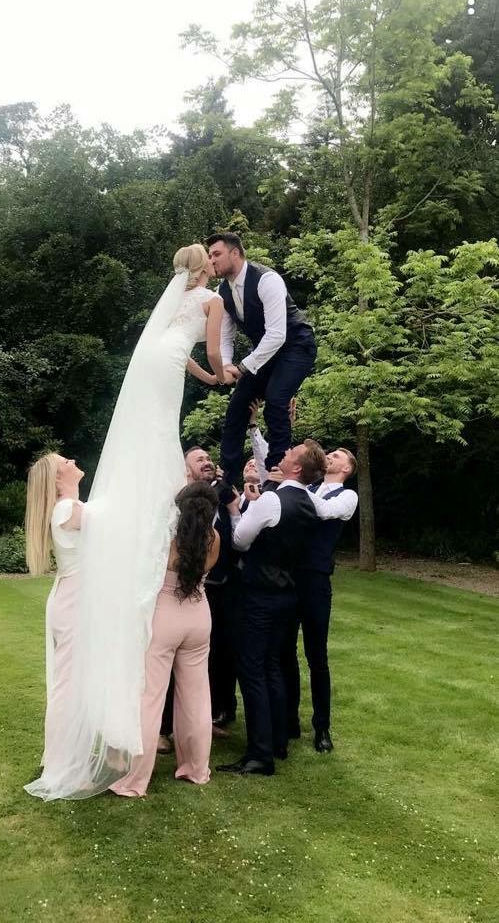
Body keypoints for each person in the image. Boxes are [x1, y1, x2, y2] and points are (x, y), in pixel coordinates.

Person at [26, 244, 229, 800]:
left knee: (153, 430)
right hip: (168, 365)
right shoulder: (211, 300)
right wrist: (222, 375)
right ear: (205, 268)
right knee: (161, 432)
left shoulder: (173, 302)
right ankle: (191, 764)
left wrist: (197, 373)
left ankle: (127, 763)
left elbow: (171, 351)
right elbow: (211, 356)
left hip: (155, 363)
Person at [217, 440, 327, 777]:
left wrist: (237, 510)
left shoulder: (271, 500)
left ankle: (260, 755)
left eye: (291, 454)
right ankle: (278, 739)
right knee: (273, 668)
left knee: (253, 672)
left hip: (260, 594)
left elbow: (240, 541)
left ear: (296, 468)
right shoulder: (310, 502)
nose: (284, 454)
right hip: (288, 594)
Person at [111, 482, 220, 797]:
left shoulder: (163, 541)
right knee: (198, 697)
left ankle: (135, 779)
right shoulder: (214, 539)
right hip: (199, 617)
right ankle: (196, 769)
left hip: (164, 617)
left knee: (150, 698)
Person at [207, 233, 316, 484]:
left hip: (296, 346)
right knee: (237, 407)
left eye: (216, 254)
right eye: (210, 255)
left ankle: (278, 474)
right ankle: (226, 478)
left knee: (277, 399)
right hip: (265, 355)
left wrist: (243, 367)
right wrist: (225, 366)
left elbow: (277, 335)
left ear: (235, 253)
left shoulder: (267, 280)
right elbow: (226, 337)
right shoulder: (221, 292)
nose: (211, 260)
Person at [285, 448, 358, 752]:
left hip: (315, 581)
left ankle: (322, 727)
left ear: (347, 469)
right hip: (288, 578)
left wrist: (297, 485)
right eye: (329, 452)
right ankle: (289, 719)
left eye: (339, 454)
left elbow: (324, 512)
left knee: (317, 656)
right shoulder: (309, 485)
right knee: (285, 651)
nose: (332, 454)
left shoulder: (347, 497)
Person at [23, 453, 84, 796]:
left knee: (71, 683)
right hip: (74, 601)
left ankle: (64, 757)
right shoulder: (67, 508)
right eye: (66, 461)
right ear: (59, 477)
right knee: (67, 685)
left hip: (74, 598)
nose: (73, 459)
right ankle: (62, 765)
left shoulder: (69, 505)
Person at [184, 446, 239, 734]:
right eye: (199, 459)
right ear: (186, 469)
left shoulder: (226, 493)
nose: (206, 462)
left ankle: (219, 710)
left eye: (208, 458)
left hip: (225, 584)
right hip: (187, 588)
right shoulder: (181, 499)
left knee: (223, 650)